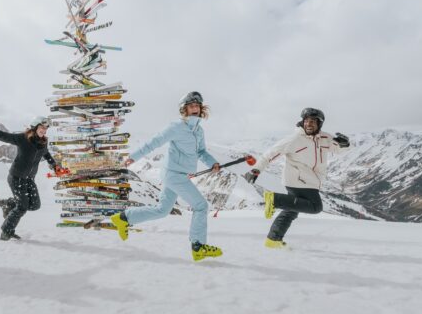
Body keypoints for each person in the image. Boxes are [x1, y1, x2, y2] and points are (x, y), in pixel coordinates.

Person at [110, 91, 223, 261]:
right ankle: (198, 246)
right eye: (191, 106)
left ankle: (124, 217)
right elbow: (154, 141)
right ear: (184, 109)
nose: (195, 108)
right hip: (174, 174)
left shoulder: (198, 131)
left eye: (197, 106)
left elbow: (201, 152)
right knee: (201, 206)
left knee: (162, 210)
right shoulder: (176, 127)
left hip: (179, 175)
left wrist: (212, 163)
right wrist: (134, 156)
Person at [244, 107, 351, 249]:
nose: (309, 124)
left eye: (313, 121)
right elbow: (269, 154)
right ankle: (274, 199)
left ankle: (273, 239)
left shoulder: (325, 138)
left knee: (291, 210)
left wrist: (345, 144)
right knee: (315, 207)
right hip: (298, 180)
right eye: (306, 121)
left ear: (319, 124)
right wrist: (256, 169)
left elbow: (338, 150)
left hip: (311, 180)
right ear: (302, 122)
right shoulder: (294, 139)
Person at [0, 116, 64, 240]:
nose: (44, 130)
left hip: (29, 179)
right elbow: (3, 136)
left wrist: (54, 165)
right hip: (16, 177)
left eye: (46, 128)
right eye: (42, 127)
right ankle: (6, 231)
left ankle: (8, 203)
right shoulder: (23, 138)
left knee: (35, 205)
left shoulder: (43, 141)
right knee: (22, 207)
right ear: (35, 127)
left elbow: (46, 153)